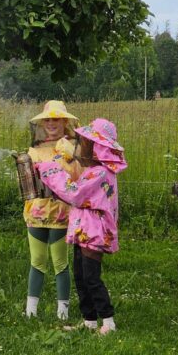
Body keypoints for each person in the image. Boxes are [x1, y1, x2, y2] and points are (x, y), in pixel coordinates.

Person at [36, 118, 127, 334]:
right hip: (84, 228)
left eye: (86, 142)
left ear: (98, 147)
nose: (81, 146)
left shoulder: (100, 173)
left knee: (91, 277)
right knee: (80, 275)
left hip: (95, 231)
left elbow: (74, 193)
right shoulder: (93, 170)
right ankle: (89, 320)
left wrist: (50, 170)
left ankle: (108, 321)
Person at [22, 100, 78, 320]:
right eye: (48, 119)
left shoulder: (73, 146)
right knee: (36, 261)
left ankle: (62, 312)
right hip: (36, 211)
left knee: (60, 263)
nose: (52, 123)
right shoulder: (34, 149)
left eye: (56, 119)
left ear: (64, 122)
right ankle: (30, 312)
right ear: (42, 123)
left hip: (60, 212)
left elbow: (77, 175)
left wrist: (69, 156)